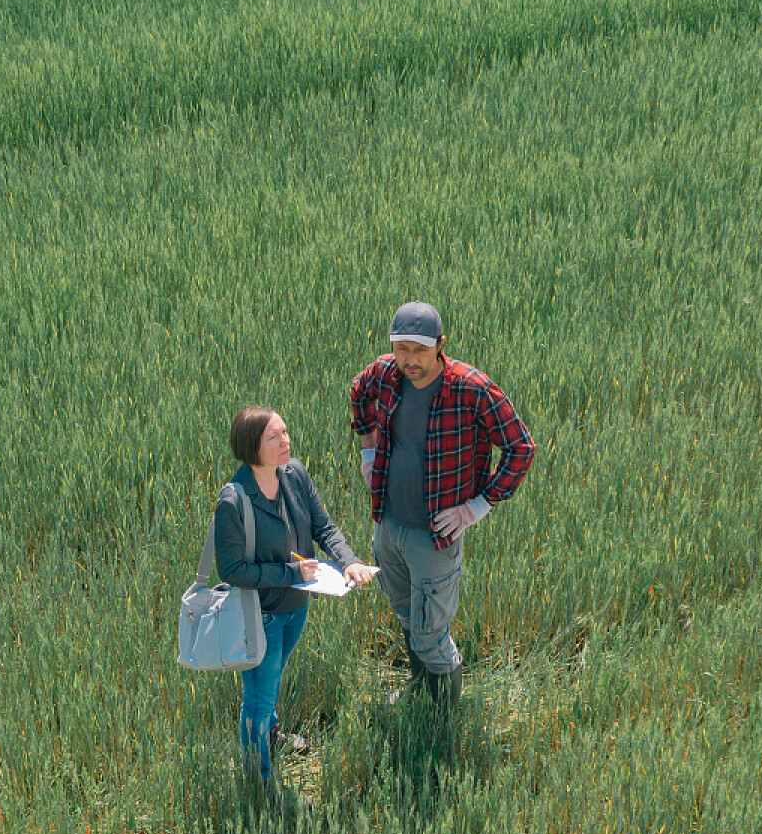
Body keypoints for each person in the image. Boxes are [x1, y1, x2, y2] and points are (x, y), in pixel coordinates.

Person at [350, 301, 535, 703]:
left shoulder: (471, 388)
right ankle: (419, 694)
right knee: (407, 617)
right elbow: (359, 392)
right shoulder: (386, 373)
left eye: (420, 350)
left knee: (431, 634)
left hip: (434, 536)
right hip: (387, 524)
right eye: (402, 349)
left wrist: (477, 507)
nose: (410, 360)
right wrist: (368, 452)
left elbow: (520, 448)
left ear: (440, 344)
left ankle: (441, 721)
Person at [215, 405, 374, 782]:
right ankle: (258, 781)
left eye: (285, 432)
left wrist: (349, 561)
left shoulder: (294, 474)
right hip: (260, 615)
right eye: (274, 437)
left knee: (270, 681)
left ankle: (271, 736)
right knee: (258, 699)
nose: (286, 441)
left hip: (296, 606)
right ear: (251, 446)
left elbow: (323, 527)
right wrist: (290, 573)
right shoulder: (234, 500)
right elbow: (232, 570)